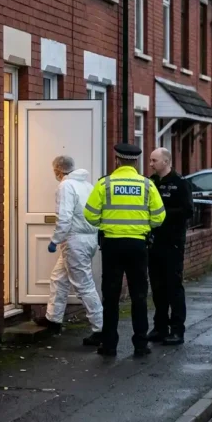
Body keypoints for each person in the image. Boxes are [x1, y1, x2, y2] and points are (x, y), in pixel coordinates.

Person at [83, 143, 165, 357]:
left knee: (110, 297)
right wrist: (142, 224)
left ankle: (109, 345)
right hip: (138, 245)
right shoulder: (147, 185)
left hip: (111, 244)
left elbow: (90, 215)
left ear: (117, 160)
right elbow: (159, 217)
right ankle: (140, 344)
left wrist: (107, 222)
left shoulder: (105, 184)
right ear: (136, 162)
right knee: (139, 296)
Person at [34, 156, 104, 345]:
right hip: (88, 238)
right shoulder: (87, 186)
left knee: (84, 285)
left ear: (58, 169)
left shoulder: (66, 186)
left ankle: (100, 329)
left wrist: (55, 240)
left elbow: (64, 217)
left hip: (74, 241)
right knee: (59, 278)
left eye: (54, 170)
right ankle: (53, 318)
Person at [146, 148, 194, 346]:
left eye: (154, 160)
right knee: (157, 287)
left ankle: (177, 330)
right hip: (154, 241)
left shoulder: (180, 183)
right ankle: (160, 327)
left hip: (172, 242)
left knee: (173, 286)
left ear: (166, 161)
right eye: (150, 160)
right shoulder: (152, 182)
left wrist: (162, 213)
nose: (151, 164)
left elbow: (188, 211)